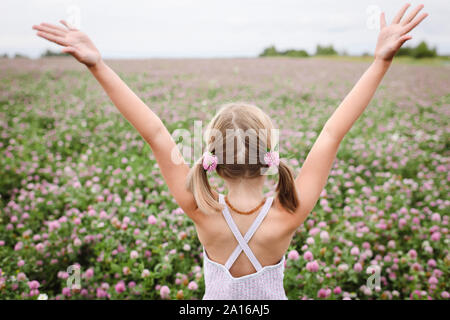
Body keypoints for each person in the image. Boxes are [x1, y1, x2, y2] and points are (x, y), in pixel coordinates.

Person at [32, 3, 428, 300]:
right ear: (268, 156)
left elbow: (154, 131)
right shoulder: (288, 213)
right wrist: (381, 60)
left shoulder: (199, 208)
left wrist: (97, 64)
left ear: (213, 160)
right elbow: (331, 134)